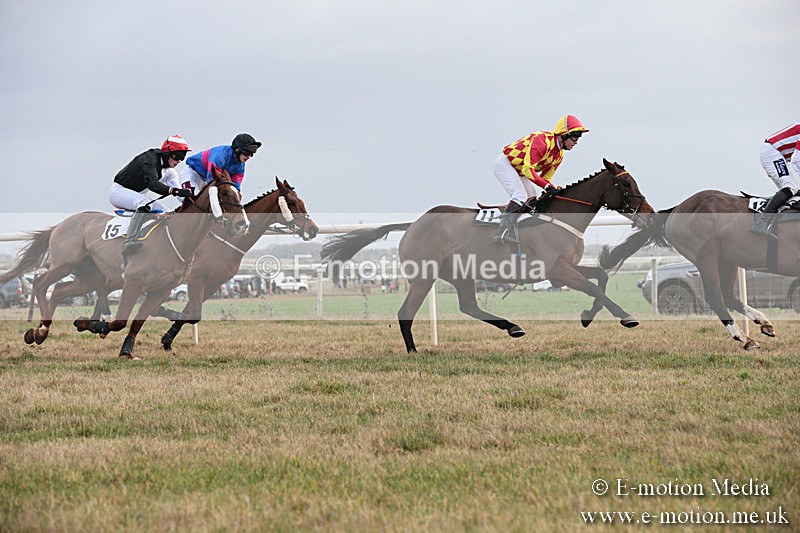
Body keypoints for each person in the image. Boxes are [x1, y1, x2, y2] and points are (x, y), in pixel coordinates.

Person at [492, 115, 589, 243]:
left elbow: (545, 178)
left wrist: (554, 189)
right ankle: (501, 232)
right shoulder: (542, 141)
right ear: (564, 135)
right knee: (520, 196)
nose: (576, 142)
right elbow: (528, 169)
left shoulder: (559, 155)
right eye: (575, 137)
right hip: (506, 164)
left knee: (532, 197)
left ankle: (516, 229)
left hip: (519, 171)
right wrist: (547, 187)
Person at [110, 135, 195, 258]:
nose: (179, 161)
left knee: (166, 212)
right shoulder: (150, 159)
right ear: (167, 152)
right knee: (143, 202)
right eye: (177, 156)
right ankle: (130, 241)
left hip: (136, 194)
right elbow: (153, 184)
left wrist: (193, 199)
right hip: (119, 191)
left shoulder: (170, 171)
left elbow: (180, 195)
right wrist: (175, 191)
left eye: (182, 157)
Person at [750, 123, 800, 237]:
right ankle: (761, 223)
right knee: (790, 187)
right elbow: (797, 160)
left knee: (793, 190)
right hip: (772, 153)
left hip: (778, 155)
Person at [178, 133, 262, 194]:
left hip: (206, 179)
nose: (249, 157)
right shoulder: (220, 155)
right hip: (192, 174)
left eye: (251, 154)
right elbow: (212, 179)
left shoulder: (240, 166)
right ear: (237, 149)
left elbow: (235, 186)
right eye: (247, 153)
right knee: (191, 197)